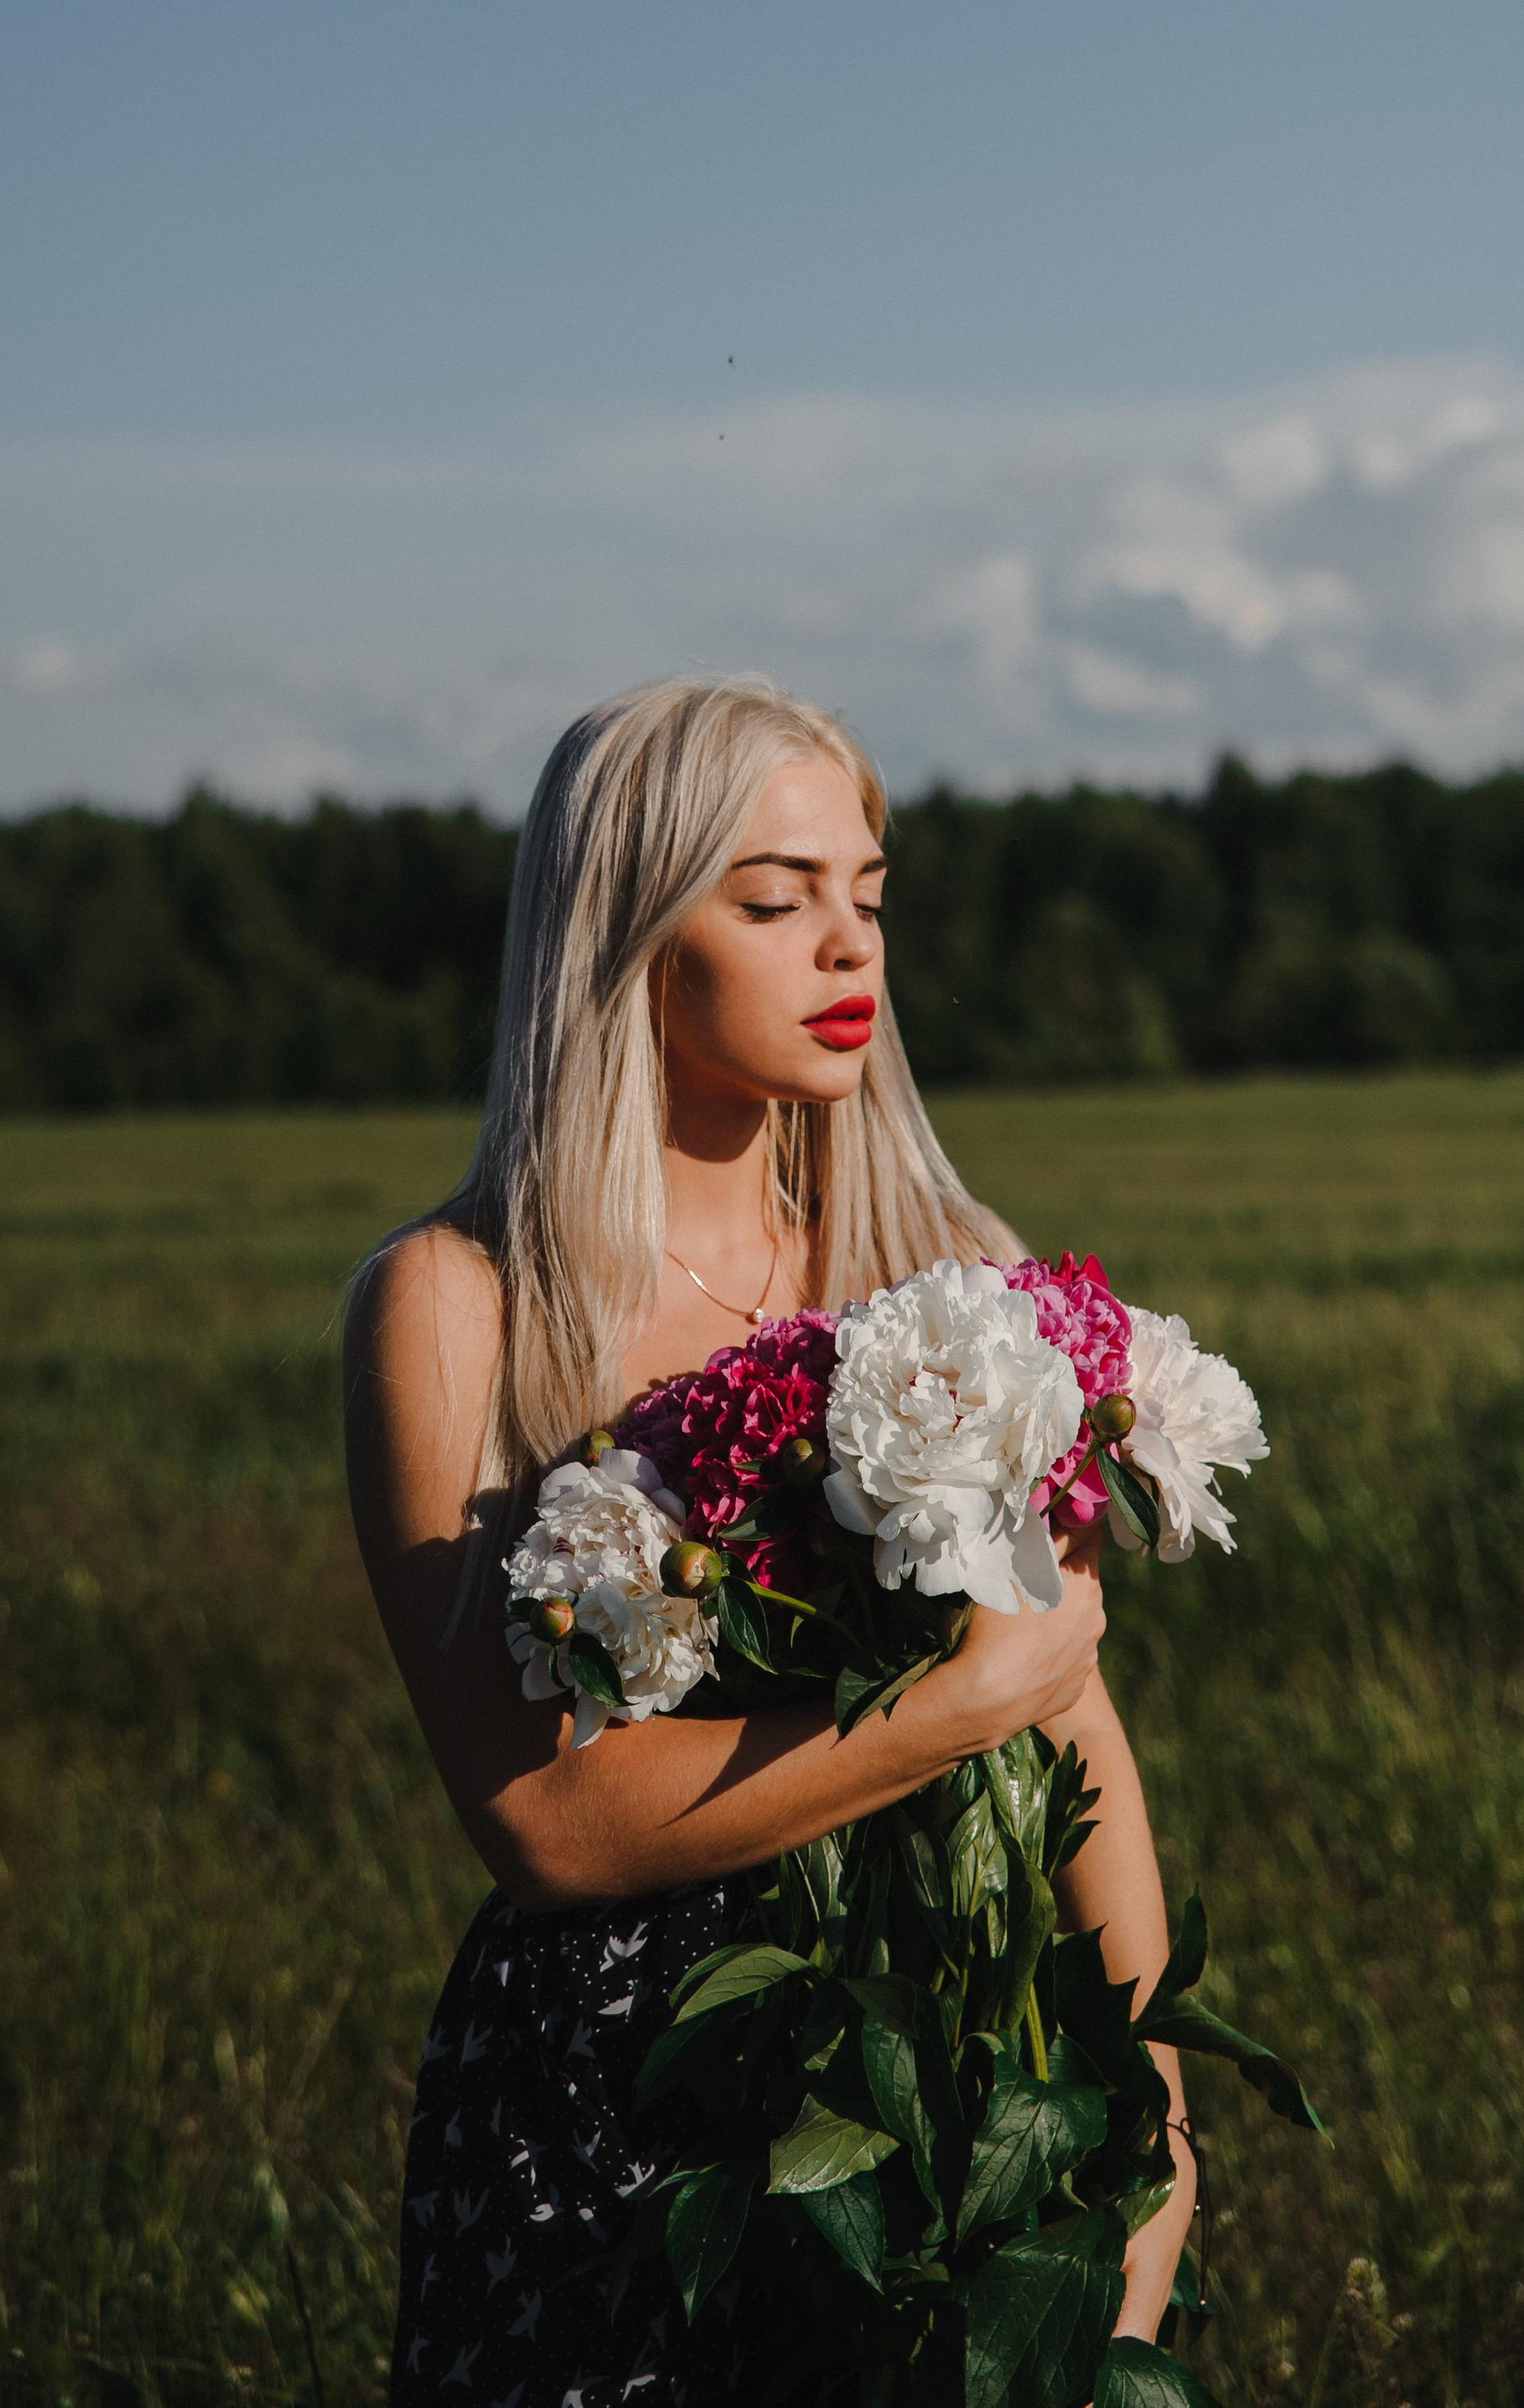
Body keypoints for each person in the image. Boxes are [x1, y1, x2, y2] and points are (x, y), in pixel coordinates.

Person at [344, 676, 1195, 2405]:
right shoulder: (456, 1306)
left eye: (865, 895)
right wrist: (957, 1703)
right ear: (629, 927)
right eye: (772, 895)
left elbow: (1073, 1717)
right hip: (608, 2109)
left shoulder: (940, 1255)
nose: (842, 947)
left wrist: (1146, 2098)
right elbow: (547, 1824)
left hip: (951, 2036)